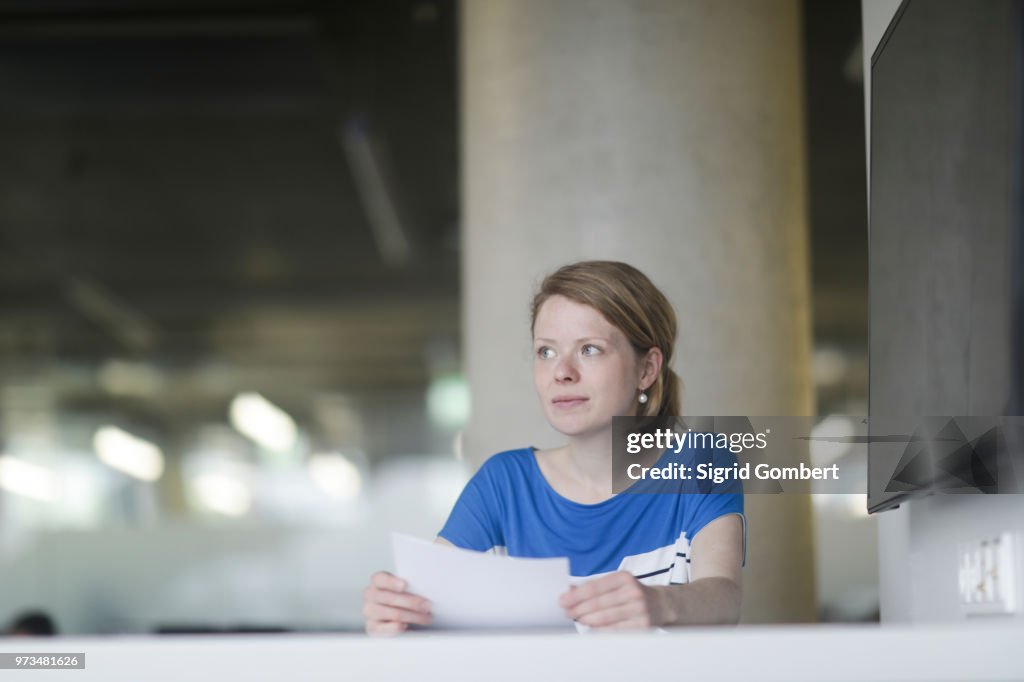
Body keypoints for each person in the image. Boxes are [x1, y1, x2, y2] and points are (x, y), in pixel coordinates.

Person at [363, 261, 745, 634]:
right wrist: (396, 609)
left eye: (590, 349)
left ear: (646, 370)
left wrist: (661, 603)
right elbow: (427, 604)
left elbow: (724, 598)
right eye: (546, 351)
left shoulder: (703, 462)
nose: (562, 372)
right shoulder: (503, 483)